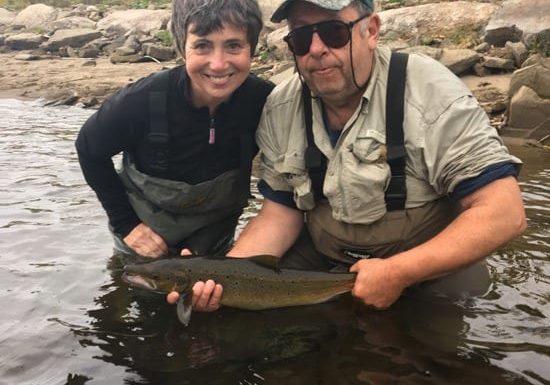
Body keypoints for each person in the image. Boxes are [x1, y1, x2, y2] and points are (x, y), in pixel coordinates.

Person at [168, 0, 526, 312]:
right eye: (302, 38)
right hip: (327, 260)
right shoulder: (281, 106)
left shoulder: (429, 93)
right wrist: (218, 277)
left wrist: (400, 272)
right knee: (254, 334)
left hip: (429, 266)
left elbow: (504, 213)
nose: (317, 49)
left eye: (334, 32)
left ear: (371, 31)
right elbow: (280, 215)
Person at [76, 0, 273, 258]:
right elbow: (88, 149)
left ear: (252, 49)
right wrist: (126, 225)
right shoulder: (139, 101)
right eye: (202, 45)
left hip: (214, 236)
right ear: (182, 48)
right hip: (144, 239)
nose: (218, 64)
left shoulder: (266, 102)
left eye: (233, 46)